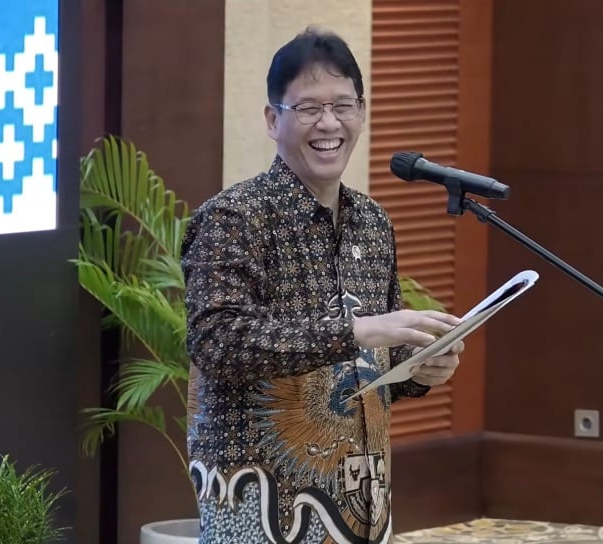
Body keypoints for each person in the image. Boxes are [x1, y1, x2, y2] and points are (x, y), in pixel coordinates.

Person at [181, 27, 464, 544]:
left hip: (362, 504)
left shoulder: (372, 222)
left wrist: (421, 368)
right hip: (262, 510)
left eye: (343, 106)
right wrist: (355, 331)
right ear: (273, 119)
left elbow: (373, 369)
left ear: (362, 112)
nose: (329, 123)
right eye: (308, 108)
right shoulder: (234, 218)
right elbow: (216, 342)